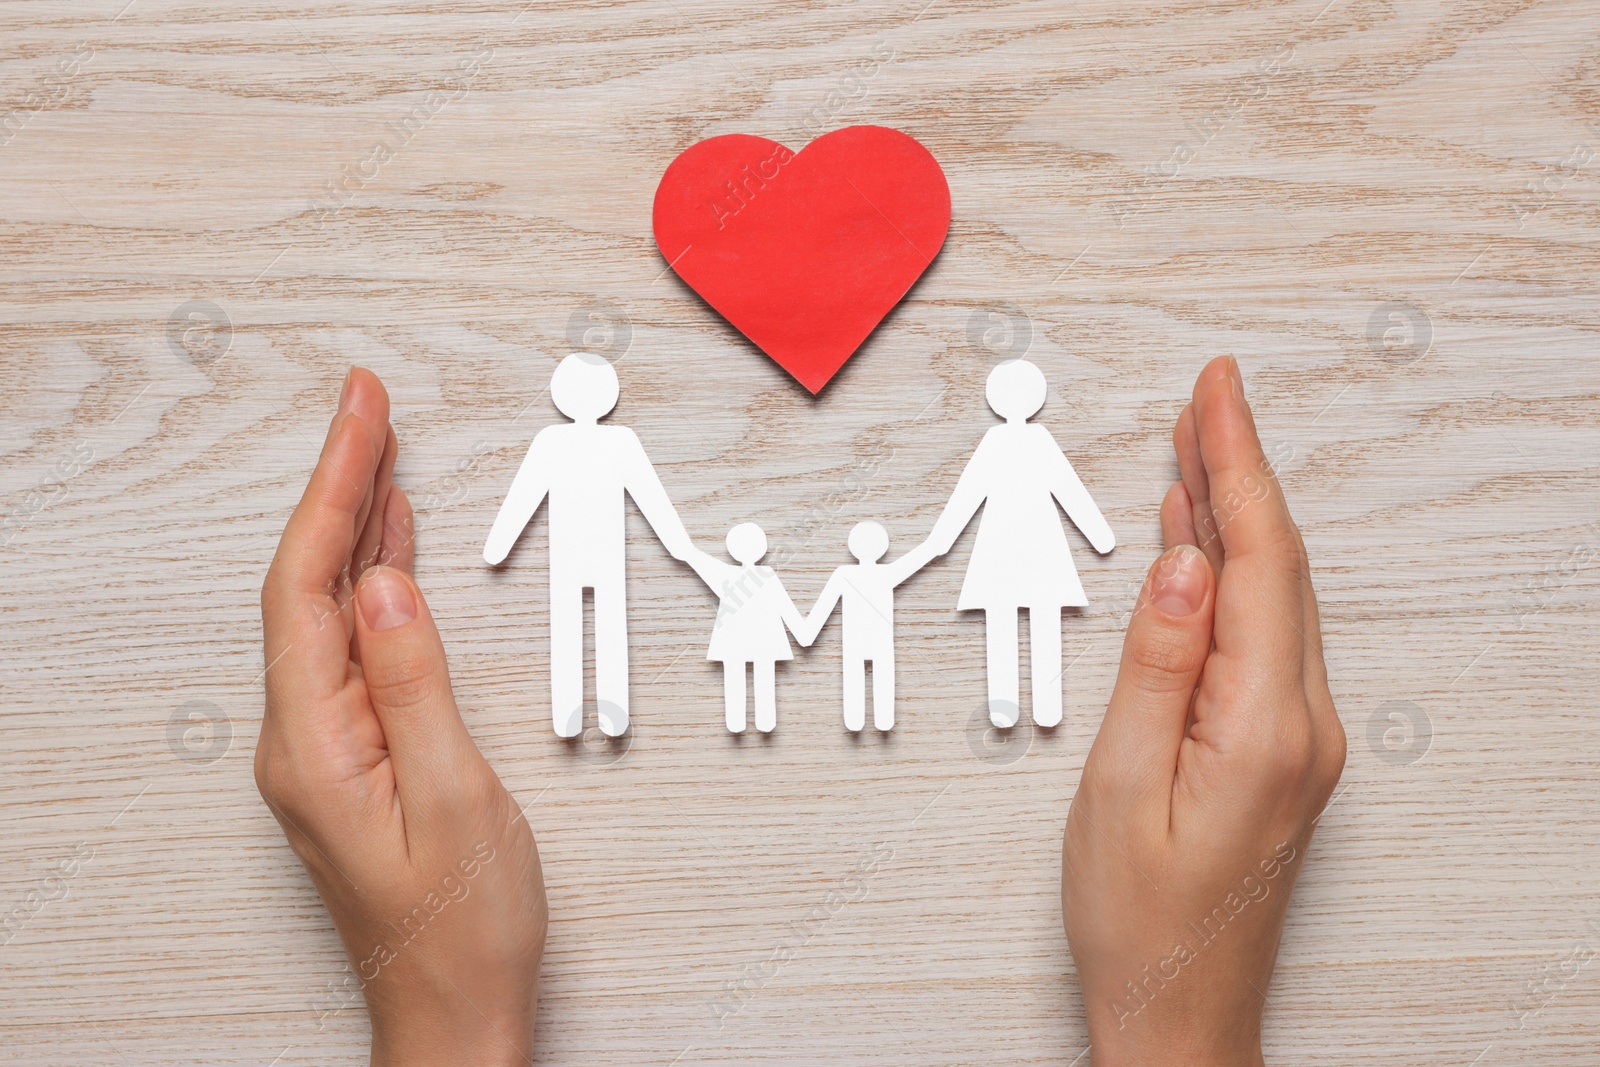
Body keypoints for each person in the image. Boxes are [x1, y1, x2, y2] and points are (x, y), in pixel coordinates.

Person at [255, 356, 1343, 1065]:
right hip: (616, 570)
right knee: (580, 619)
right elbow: (561, 509)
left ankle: (621, 694)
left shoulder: (621, 445)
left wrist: (448, 1029)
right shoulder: (570, 443)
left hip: (972, 564)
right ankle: (609, 693)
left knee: (1014, 628)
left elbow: (663, 514)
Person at [483, 353, 704, 740]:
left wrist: (499, 546)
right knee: (606, 626)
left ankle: (581, 718)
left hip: (578, 554)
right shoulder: (615, 441)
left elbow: (527, 494)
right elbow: (648, 496)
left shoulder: (556, 440)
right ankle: (606, 718)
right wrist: (678, 544)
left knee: (570, 628)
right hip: (597, 555)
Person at [919, 358, 1115, 730]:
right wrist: (1099, 535)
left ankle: (1030, 709)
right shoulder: (1019, 440)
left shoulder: (1017, 440)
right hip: (1025, 547)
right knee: (1026, 618)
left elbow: (1064, 487)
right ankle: (1027, 708)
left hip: (1016, 547)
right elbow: (973, 491)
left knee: (1012, 619)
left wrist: (940, 540)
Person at [797, 520, 933, 732]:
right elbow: (920, 556)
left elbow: (823, 607)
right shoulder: (885, 573)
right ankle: (880, 721)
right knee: (880, 676)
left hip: (857, 641)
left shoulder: (846, 573)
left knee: (857, 677)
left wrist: (807, 632)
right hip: (877, 641)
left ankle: (861, 722)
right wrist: (934, 545)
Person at [699, 522, 810, 733]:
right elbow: (785, 607)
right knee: (759, 675)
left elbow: (701, 562)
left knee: (739, 675)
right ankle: (759, 722)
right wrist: (802, 631)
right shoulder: (762, 574)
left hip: (740, 640)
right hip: (762, 641)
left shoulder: (731, 574)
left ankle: (741, 723)